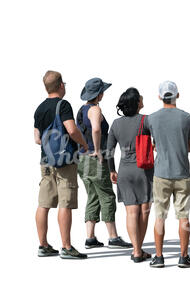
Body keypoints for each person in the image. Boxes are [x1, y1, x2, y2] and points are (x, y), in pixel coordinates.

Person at [34, 70, 89, 259]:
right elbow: (72, 130)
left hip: (46, 161)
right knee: (65, 203)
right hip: (65, 161)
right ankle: (66, 247)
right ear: (61, 85)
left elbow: (37, 139)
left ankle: (43, 245)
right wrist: (83, 144)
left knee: (44, 203)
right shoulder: (63, 105)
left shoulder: (39, 109)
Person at [146, 81, 190, 268]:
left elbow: (147, 143)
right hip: (182, 172)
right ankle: (184, 257)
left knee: (160, 216)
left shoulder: (151, 119)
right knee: (183, 216)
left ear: (160, 96)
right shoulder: (186, 118)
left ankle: (159, 257)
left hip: (161, 173)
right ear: (178, 95)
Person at [76, 77, 131, 250]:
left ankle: (90, 237)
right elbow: (96, 129)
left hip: (81, 158)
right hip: (94, 159)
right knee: (107, 195)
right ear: (99, 94)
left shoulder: (82, 109)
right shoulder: (94, 110)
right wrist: (98, 150)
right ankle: (113, 236)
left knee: (93, 195)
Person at [106, 88, 154, 263]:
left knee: (131, 212)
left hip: (124, 171)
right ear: (136, 103)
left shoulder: (116, 124)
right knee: (144, 211)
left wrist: (112, 170)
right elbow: (158, 141)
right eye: (140, 98)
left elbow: (108, 150)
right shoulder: (146, 120)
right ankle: (139, 249)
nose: (142, 99)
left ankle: (136, 251)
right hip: (144, 171)